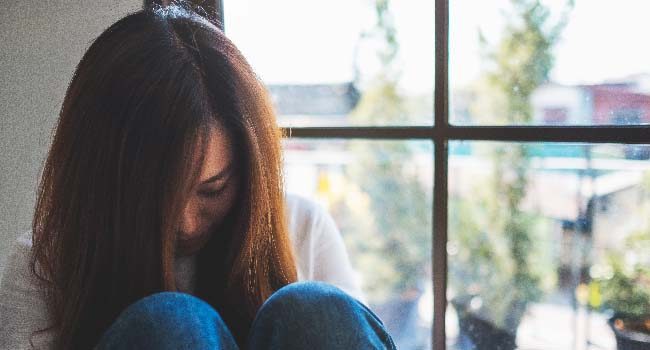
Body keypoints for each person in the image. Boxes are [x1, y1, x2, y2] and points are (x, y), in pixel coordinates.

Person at [0, 3, 396, 350]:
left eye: (212, 190)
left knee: (314, 313)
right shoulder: (45, 267)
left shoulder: (303, 229)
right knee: (169, 327)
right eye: (157, 198)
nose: (187, 223)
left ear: (246, 169)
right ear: (105, 185)